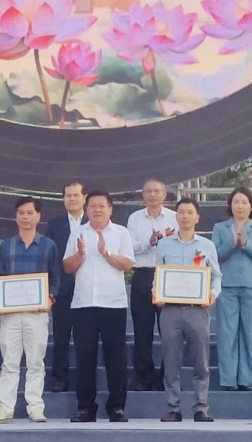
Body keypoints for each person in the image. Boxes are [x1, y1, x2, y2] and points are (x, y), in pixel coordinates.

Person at [63, 190, 135, 423]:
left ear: (110, 209)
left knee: (116, 358)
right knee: (85, 359)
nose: (97, 210)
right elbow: (67, 267)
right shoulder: (77, 232)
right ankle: (85, 407)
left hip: (113, 304)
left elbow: (127, 265)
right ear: (86, 209)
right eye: (92, 206)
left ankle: (116, 407)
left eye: (101, 206)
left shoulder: (121, 233)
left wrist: (106, 253)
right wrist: (80, 255)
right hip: (83, 304)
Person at [0, 197, 61, 423]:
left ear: (38, 216)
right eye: (21, 212)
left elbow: (56, 278)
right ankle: (5, 408)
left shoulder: (49, 245)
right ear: (16, 216)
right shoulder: (6, 245)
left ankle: (35, 407)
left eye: (30, 213)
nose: (25, 216)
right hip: (10, 314)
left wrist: (50, 297)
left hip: (37, 313)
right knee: (9, 362)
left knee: (35, 362)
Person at [154, 197, 221, 422]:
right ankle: (173, 407)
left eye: (189, 212)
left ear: (197, 217)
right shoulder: (164, 245)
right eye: (181, 212)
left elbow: (217, 276)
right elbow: (158, 275)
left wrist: (212, 294)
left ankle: (201, 407)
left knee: (201, 361)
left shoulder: (206, 246)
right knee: (170, 361)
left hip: (197, 310)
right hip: (170, 311)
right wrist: (156, 292)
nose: (185, 216)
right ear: (176, 216)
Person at [212, 186, 252, 391]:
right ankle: (228, 380)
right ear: (230, 205)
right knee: (227, 334)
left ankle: (249, 379)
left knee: (251, 334)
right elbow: (215, 254)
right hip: (226, 285)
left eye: (244, 202)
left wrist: (245, 243)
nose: (240, 206)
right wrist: (232, 244)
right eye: (236, 202)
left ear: (251, 206)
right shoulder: (220, 228)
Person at [126, 178, 177, 390]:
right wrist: (150, 241)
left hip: (168, 275)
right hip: (143, 274)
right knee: (142, 329)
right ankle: (143, 377)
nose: (153, 195)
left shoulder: (175, 217)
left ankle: (168, 376)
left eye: (157, 191)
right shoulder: (135, 219)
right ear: (143, 195)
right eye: (148, 191)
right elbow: (128, 247)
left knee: (170, 330)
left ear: (165, 194)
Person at [44, 180, 85, 393]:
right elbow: (51, 257)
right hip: (63, 287)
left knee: (86, 335)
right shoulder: (55, 224)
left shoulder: (96, 221)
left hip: (90, 287)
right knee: (61, 334)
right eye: (68, 195)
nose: (72, 199)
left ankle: (85, 378)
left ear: (84, 198)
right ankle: (59, 377)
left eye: (76, 195)